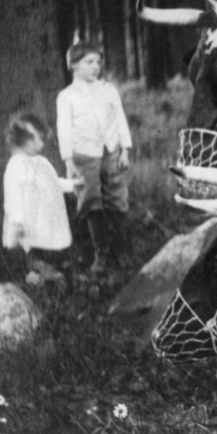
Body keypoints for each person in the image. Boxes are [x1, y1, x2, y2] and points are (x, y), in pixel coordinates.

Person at [56, 41, 133, 275]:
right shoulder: (66, 96)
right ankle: (101, 254)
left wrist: (125, 149)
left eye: (98, 61)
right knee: (91, 201)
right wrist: (68, 160)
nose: (95, 67)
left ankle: (122, 251)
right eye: (88, 62)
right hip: (83, 153)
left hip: (111, 150)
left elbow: (120, 118)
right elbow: (64, 130)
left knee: (117, 197)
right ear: (74, 65)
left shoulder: (107, 89)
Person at [2, 113, 77, 285]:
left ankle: (45, 277)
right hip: (25, 222)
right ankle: (34, 278)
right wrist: (17, 220)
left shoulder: (39, 162)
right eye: (36, 139)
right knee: (29, 253)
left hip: (41, 219)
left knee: (42, 248)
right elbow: (12, 196)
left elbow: (51, 182)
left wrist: (71, 185)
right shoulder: (15, 166)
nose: (41, 144)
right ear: (22, 140)